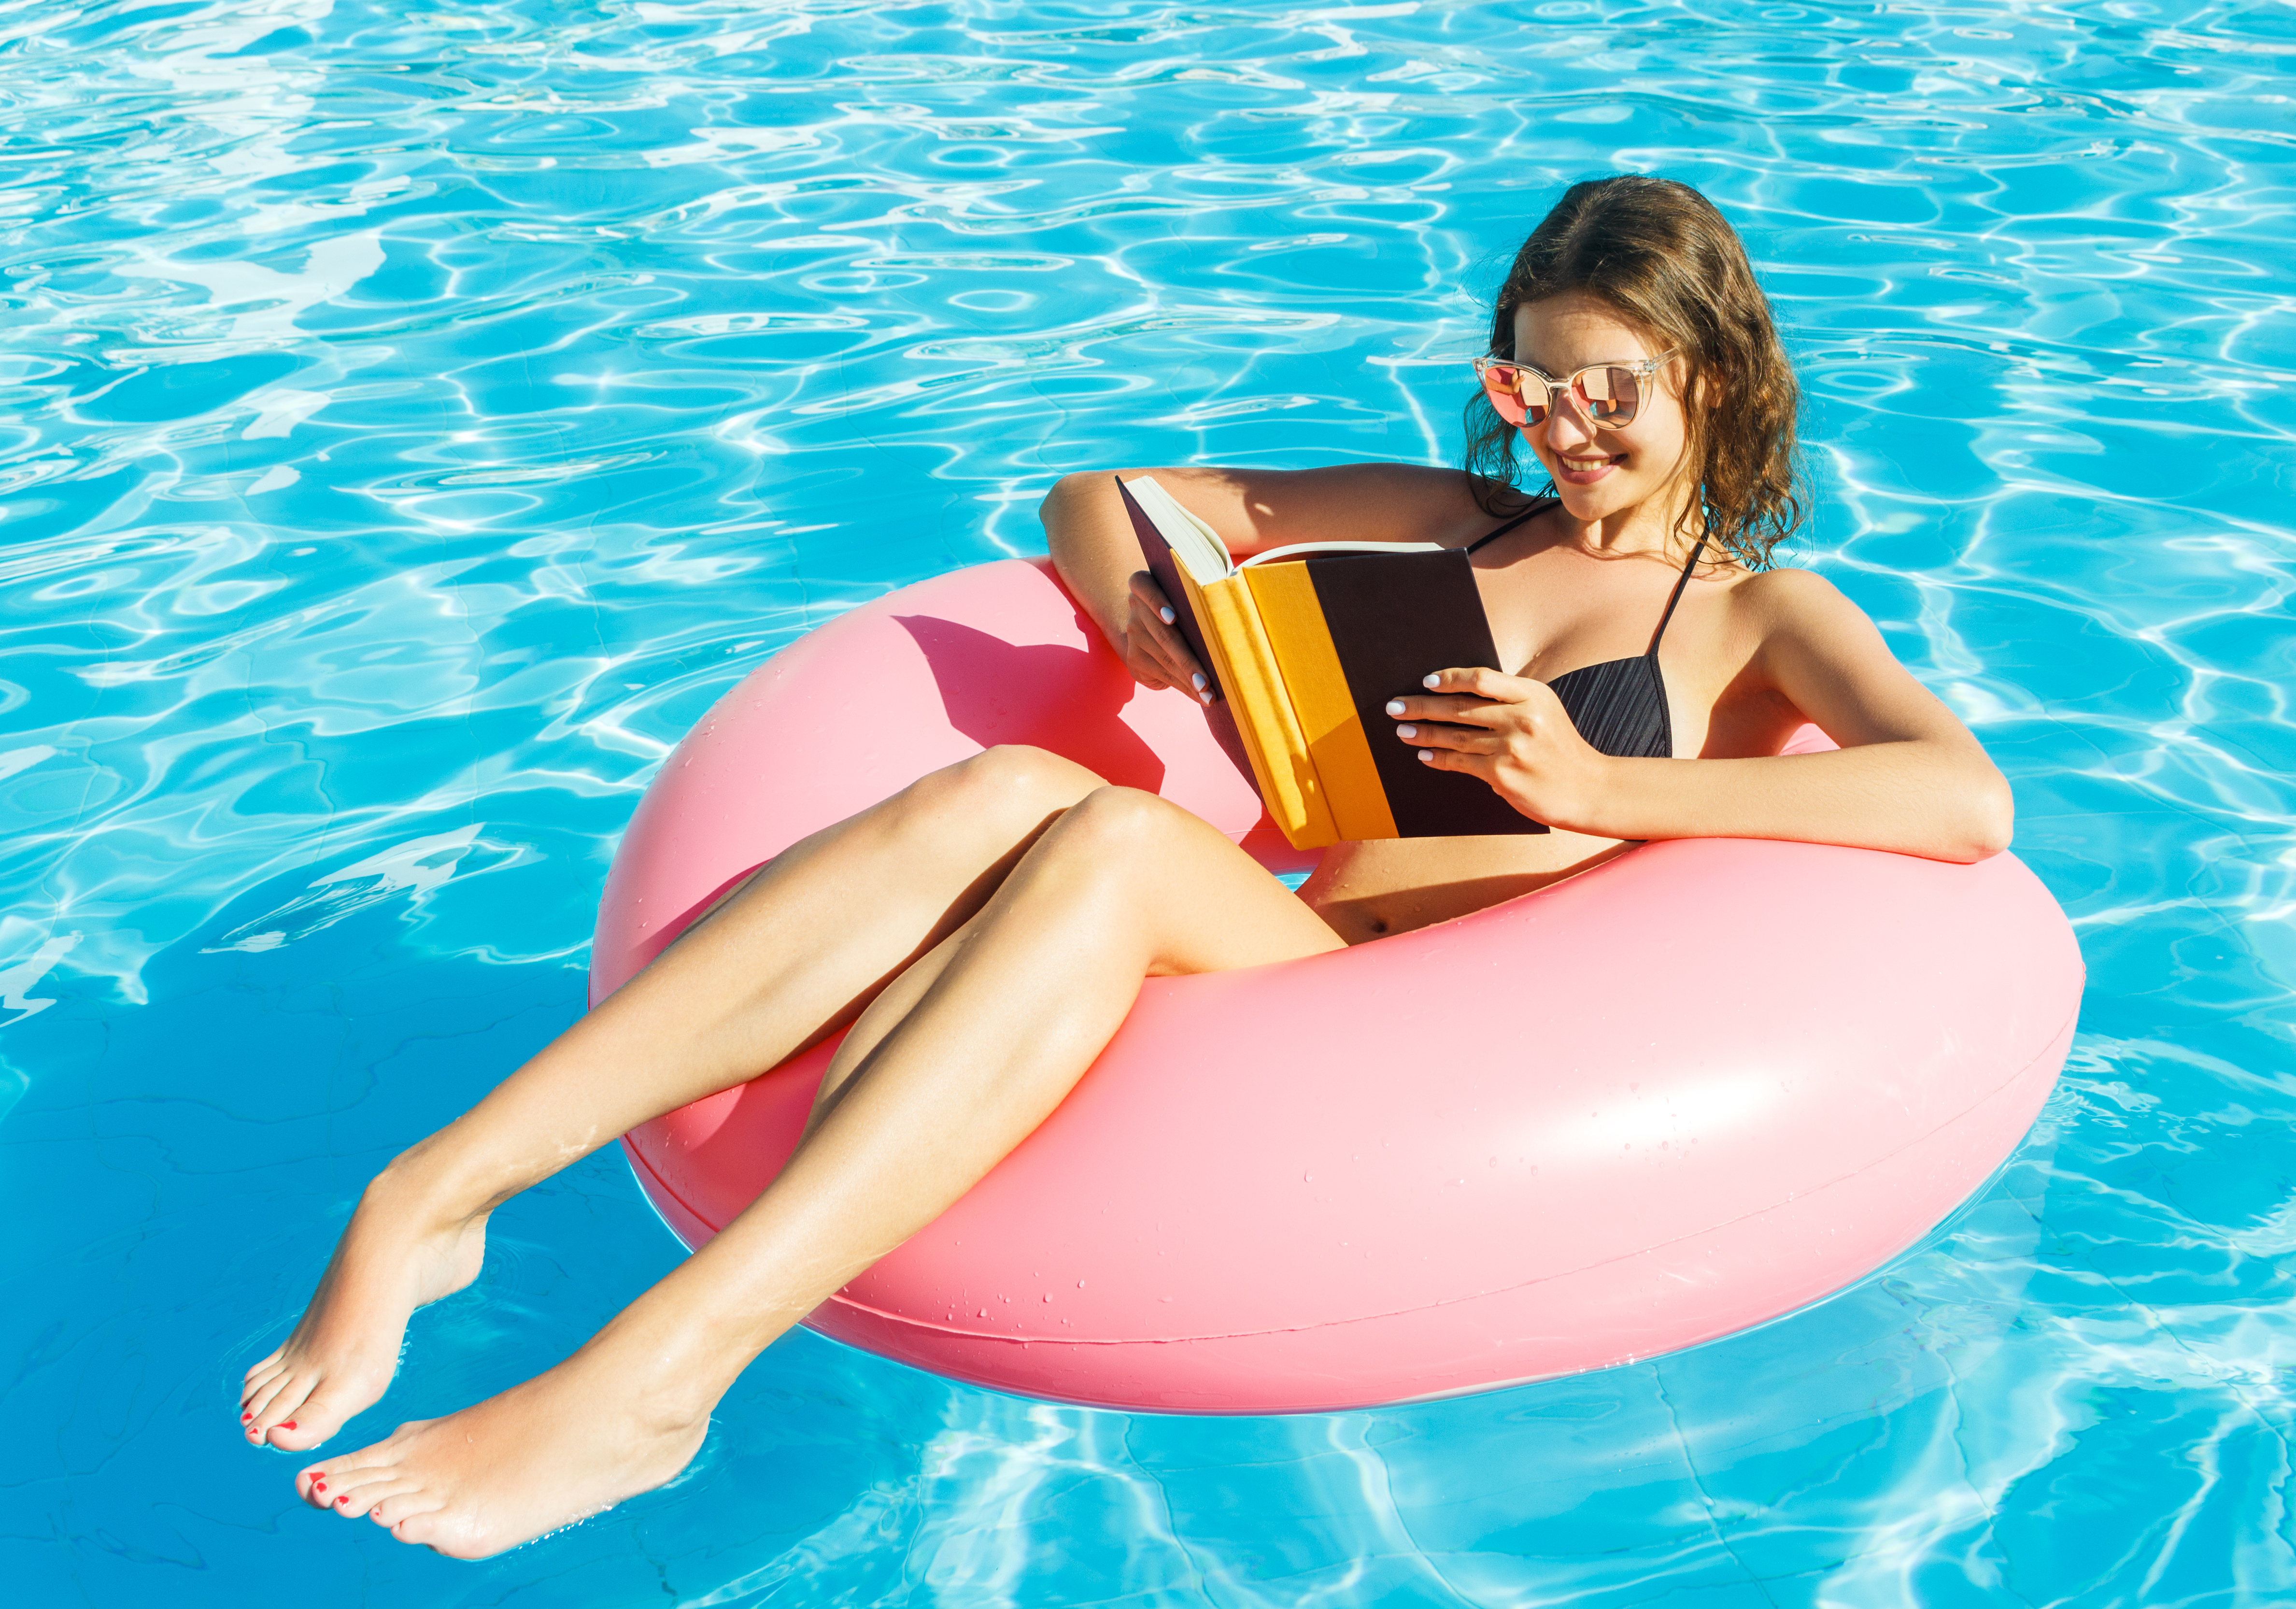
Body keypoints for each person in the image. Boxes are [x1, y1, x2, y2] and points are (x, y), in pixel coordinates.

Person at [239, 175, 2012, 1558]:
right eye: (1528, 380)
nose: (1563, 423)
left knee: (1087, 830)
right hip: (1289, 943)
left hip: (1413, 1033)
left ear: (1710, 368)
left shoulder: (1765, 614)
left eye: (1605, 385)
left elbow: (1962, 800)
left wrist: (1608, 792)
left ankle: (659, 1377)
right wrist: (1148, 606)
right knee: (1005, 782)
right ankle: (434, 1190)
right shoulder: (1455, 519)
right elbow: (1097, 493)